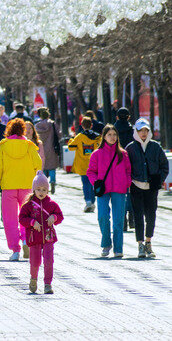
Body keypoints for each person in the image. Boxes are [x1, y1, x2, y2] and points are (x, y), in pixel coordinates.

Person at [0, 118, 42, 261]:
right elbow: (38, 164)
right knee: (26, 216)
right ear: (23, 130)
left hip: (9, 188)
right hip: (26, 187)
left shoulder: (3, 146)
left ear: (9, 130)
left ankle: (15, 250)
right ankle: (26, 241)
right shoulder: (29, 145)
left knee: (9, 219)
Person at [126, 119, 169, 258]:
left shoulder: (156, 147)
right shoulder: (130, 148)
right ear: (136, 132)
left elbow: (164, 166)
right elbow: (126, 167)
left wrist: (159, 180)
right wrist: (129, 181)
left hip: (152, 187)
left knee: (151, 216)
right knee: (138, 216)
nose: (143, 133)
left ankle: (148, 243)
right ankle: (140, 244)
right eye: (140, 130)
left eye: (146, 130)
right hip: (136, 186)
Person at [87, 124, 132, 258]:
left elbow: (128, 171)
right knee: (102, 217)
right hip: (103, 190)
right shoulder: (97, 154)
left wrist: (127, 182)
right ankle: (106, 243)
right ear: (104, 137)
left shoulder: (123, 154)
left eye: (114, 135)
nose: (112, 137)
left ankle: (118, 248)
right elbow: (90, 172)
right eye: (109, 135)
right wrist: (96, 182)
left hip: (119, 189)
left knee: (118, 220)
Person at [19, 171, 64, 294]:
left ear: (47, 191)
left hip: (49, 237)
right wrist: (32, 222)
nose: (41, 192)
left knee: (49, 260)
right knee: (35, 261)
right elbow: (22, 219)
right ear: (34, 190)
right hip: (34, 239)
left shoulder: (52, 204)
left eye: (44, 189)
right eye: (38, 189)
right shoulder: (28, 205)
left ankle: (48, 284)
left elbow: (60, 216)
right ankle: (33, 278)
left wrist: (54, 217)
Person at [68, 117, 101, 213]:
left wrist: (71, 140)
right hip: (94, 165)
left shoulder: (79, 136)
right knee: (93, 183)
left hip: (83, 166)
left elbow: (71, 147)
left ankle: (88, 202)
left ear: (82, 126)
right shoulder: (98, 137)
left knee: (85, 183)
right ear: (91, 125)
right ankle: (93, 201)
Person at [114, 107, 135, 231]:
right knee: (130, 190)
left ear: (117, 117)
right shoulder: (132, 130)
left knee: (119, 192)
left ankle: (122, 220)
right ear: (128, 117)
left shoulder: (112, 130)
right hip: (130, 161)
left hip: (116, 162)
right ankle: (132, 215)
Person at [35, 108, 61, 194]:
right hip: (52, 148)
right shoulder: (53, 124)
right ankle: (52, 181)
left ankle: (44, 184)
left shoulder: (37, 126)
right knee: (52, 167)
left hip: (41, 149)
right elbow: (59, 134)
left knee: (44, 167)